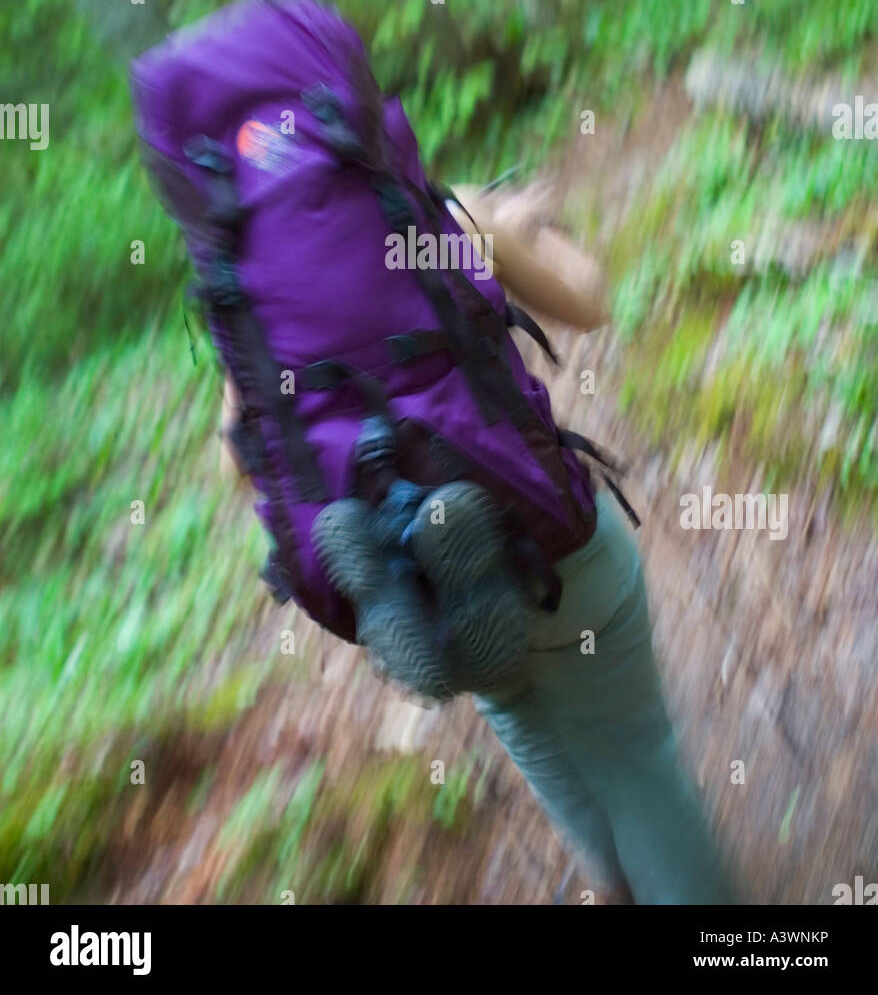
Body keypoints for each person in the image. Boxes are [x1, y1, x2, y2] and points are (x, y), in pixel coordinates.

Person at [220, 184, 739, 904]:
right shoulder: (430, 208)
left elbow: (242, 460)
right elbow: (589, 300)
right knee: (635, 765)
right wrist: (516, 226)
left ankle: (401, 549)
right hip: (548, 544)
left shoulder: (244, 299)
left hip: (446, 606)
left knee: (547, 756)